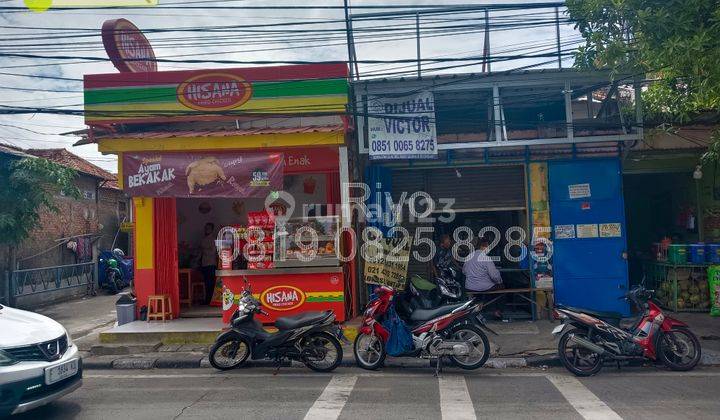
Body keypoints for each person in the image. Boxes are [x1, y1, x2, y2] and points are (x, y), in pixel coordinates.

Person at [463, 237, 504, 318]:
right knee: (502, 288)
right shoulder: (486, 258)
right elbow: (494, 276)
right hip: (484, 287)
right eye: (488, 246)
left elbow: (464, 271)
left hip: (470, 287)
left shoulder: (469, 257)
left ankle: (480, 307)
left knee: (479, 294)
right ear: (484, 246)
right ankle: (497, 311)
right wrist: (500, 282)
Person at [199, 222, 217, 305]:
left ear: (212, 230)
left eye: (208, 228)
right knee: (206, 282)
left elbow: (213, 252)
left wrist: (204, 250)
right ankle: (207, 300)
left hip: (211, 263)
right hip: (204, 263)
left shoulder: (213, 239)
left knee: (211, 283)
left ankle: (211, 300)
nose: (207, 230)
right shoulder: (203, 239)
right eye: (206, 228)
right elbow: (200, 252)